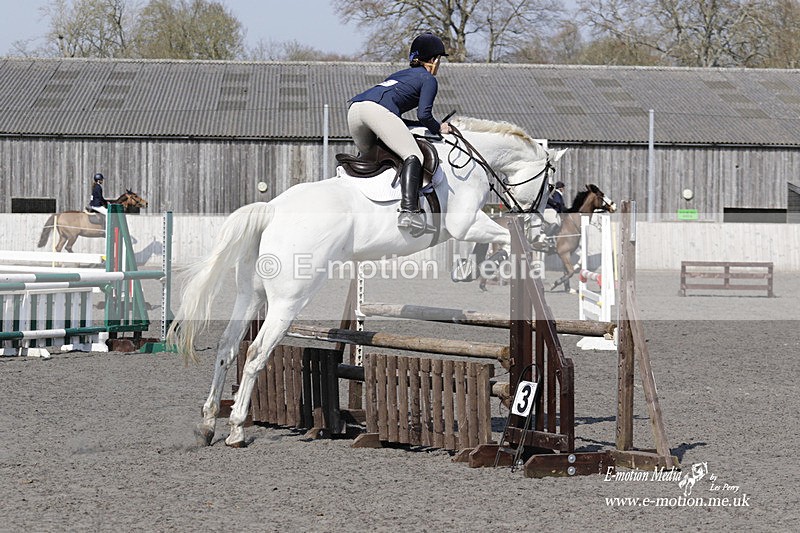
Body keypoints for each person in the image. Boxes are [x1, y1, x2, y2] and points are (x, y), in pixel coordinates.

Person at [348, 32, 452, 234]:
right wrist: (438, 127)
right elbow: (424, 115)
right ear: (433, 60)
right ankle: (409, 211)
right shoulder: (428, 79)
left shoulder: (398, 75)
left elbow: (393, 119)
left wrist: (414, 125)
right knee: (414, 155)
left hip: (355, 110)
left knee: (374, 159)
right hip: (376, 111)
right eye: (439, 59)